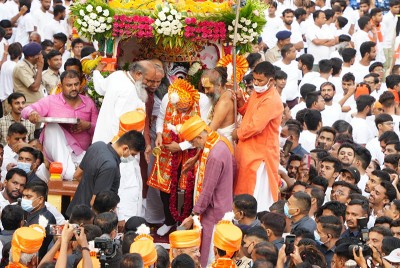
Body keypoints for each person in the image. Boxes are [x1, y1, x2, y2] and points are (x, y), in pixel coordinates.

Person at [147, 79, 204, 236]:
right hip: (168, 150)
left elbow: (203, 135)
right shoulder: (168, 98)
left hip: (190, 152)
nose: (180, 110)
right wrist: (159, 134)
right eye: (178, 108)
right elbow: (160, 118)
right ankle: (169, 220)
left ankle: (186, 221)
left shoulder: (201, 103)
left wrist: (181, 147)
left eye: (184, 108)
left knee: (189, 187)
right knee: (165, 186)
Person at [178, 115, 235, 267]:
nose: (194, 146)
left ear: (199, 137)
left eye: (193, 142)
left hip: (214, 212)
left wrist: (193, 214)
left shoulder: (214, 155)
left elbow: (208, 191)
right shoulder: (220, 141)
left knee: (210, 257)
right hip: (223, 205)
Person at [22, 70, 98, 180]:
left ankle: (71, 169)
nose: (73, 88)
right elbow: (26, 110)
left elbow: (99, 129)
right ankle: (69, 173)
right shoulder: (50, 101)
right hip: (55, 152)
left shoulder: (88, 103)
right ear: (61, 86)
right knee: (52, 127)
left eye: (76, 84)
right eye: (69, 85)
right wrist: (32, 113)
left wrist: (88, 126)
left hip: (81, 155)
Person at [233, 61, 283, 212]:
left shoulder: (272, 99)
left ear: (271, 81)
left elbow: (255, 126)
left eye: (260, 80)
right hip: (247, 150)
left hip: (260, 155)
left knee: (256, 197)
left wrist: (238, 133)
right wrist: (241, 101)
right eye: (254, 79)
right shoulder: (257, 93)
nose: (256, 83)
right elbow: (248, 113)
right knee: (242, 190)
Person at [65, 130, 145, 218]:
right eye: (133, 154)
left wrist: (92, 186)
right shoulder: (110, 166)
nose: (132, 158)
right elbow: (95, 203)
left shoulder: (97, 145)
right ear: (125, 148)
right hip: (87, 221)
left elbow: (77, 175)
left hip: (74, 212)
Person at [92, 60, 155, 144]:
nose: (150, 84)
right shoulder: (131, 91)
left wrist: (96, 72)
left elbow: (100, 87)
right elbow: (121, 124)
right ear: (138, 74)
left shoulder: (117, 75)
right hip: (117, 145)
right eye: (148, 80)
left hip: (103, 139)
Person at [200, 67, 235, 144]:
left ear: (219, 85)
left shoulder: (223, 103)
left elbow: (211, 130)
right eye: (204, 88)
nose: (205, 92)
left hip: (225, 145)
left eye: (208, 88)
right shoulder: (225, 94)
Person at [22, 181, 56, 259]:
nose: (24, 199)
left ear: (40, 199)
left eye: (28, 196)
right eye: (23, 196)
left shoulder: (44, 220)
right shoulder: (28, 212)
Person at [0, 43, 22, 117]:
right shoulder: (17, 67)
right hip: (12, 99)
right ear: (20, 53)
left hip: (3, 99)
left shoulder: (5, 64)